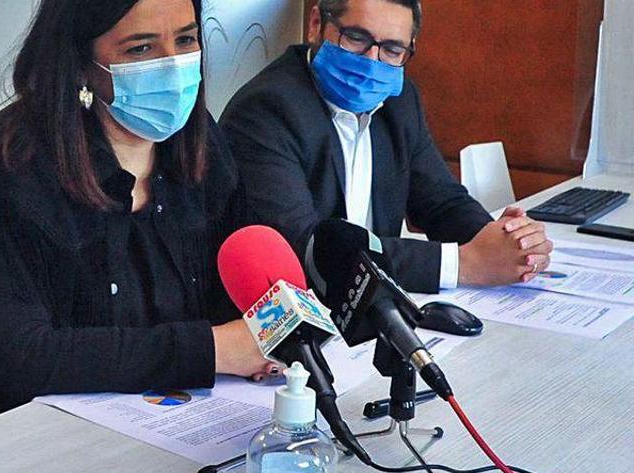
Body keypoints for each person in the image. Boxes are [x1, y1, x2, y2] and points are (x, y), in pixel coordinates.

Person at [0, 0, 275, 446]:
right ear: (79, 61)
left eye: (186, 40)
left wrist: (270, 335)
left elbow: (241, 279)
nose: (172, 67)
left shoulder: (198, 140)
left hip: (153, 423)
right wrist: (212, 350)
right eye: (140, 49)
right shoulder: (10, 161)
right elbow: (25, 357)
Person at [220, 0, 553, 293]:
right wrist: (463, 264)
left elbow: (442, 202)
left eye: (392, 50)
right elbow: (306, 248)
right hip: (295, 322)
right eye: (357, 38)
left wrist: (505, 242)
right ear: (316, 24)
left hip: (373, 307)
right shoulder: (265, 111)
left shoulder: (399, 101)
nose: (372, 61)